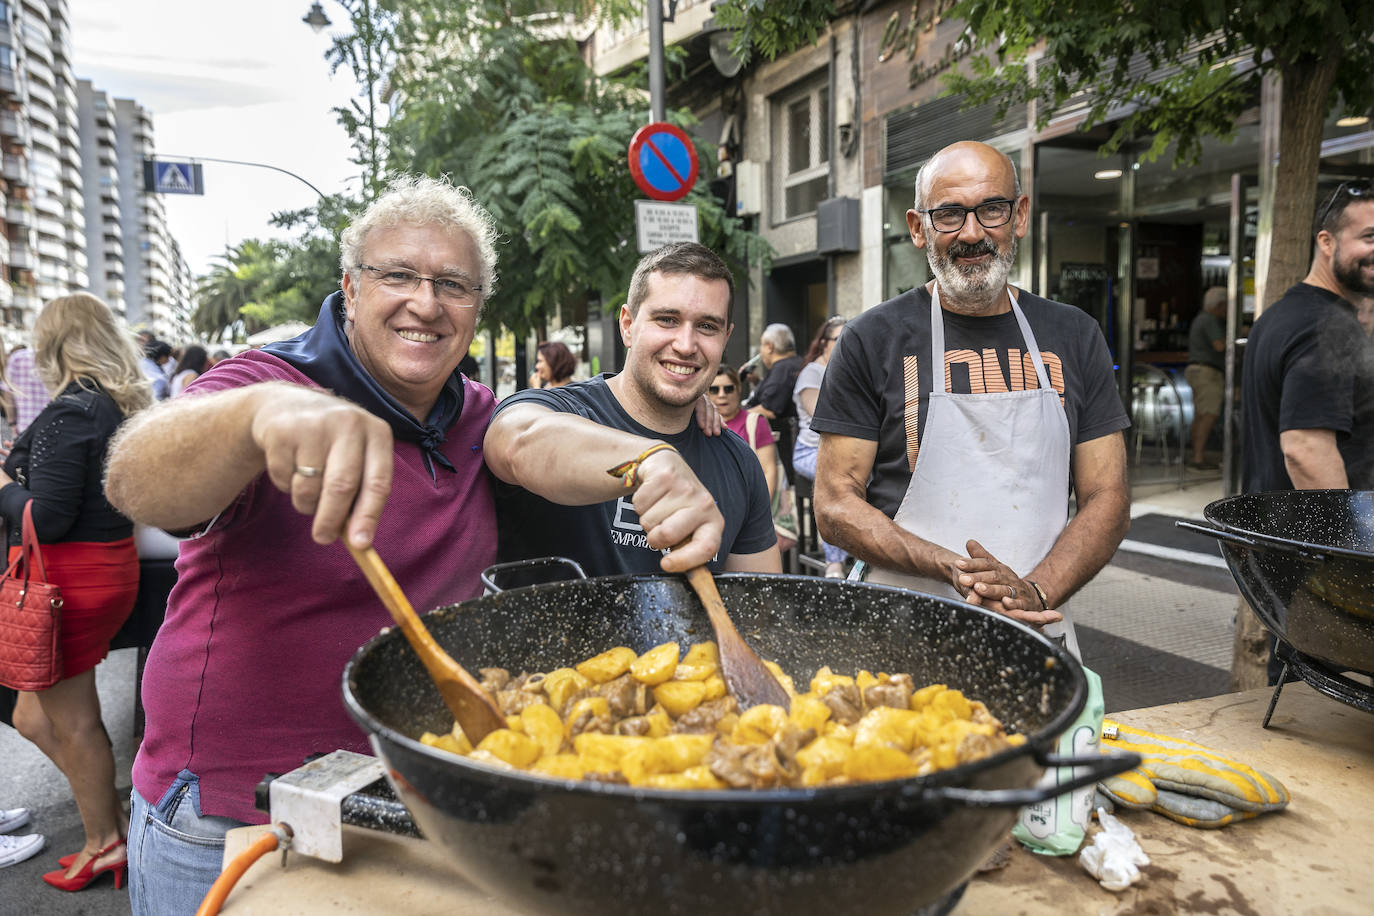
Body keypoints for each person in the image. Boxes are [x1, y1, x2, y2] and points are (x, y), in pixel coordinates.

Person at [103, 175, 501, 914]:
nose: (426, 300)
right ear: (350, 290)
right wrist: (258, 417)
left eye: (454, 283)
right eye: (398, 275)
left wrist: (663, 442)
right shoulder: (266, 381)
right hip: (231, 815)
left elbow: (550, 434)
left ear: (476, 309)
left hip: (412, 806)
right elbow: (135, 479)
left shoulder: (476, 413)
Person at [811, 141, 1130, 655]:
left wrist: (1035, 591)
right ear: (918, 228)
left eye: (992, 209)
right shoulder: (872, 338)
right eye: (950, 214)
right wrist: (952, 569)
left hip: (1035, 626)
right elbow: (833, 503)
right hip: (899, 625)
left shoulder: (1075, 334)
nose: (973, 232)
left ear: (1020, 215)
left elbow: (1107, 497)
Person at [485, 242, 780, 577]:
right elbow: (514, 442)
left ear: (725, 338)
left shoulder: (738, 463)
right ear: (627, 325)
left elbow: (761, 612)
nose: (686, 345)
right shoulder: (564, 409)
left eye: (707, 326)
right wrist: (647, 461)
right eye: (667, 319)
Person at [2, 293, 152, 893]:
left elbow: (50, 516)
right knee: (35, 714)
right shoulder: (112, 405)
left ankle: (106, 843)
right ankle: (112, 819)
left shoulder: (73, 410)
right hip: (102, 568)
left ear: (55, 345)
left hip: (67, 579)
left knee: (75, 724)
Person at [1242, 180, 1374, 494]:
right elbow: (1305, 450)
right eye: (1370, 237)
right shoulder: (1326, 326)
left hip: (1274, 527)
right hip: (1311, 538)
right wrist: (1341, 539)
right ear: (1327, 243)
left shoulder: (1280, 315)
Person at [791, 316, 849, 578]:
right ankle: (834, 560)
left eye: (849, 338)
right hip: (811, 451)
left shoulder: (851, 369)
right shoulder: (812, 373)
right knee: (836, 480)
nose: (845, 344)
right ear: (825, 343)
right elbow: (821, 418)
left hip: (846, 451)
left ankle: (867, 550)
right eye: (839, 339)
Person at [743, 323, 803, 479]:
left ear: (769, 346)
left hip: (782, 445)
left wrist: (737, 414)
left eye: (762, 346)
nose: (761, 352)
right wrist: (757, 381)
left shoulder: (782, 369)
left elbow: (770, 409)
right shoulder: (793, 364)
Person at [710, 364, 778, 500]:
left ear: (739, 389)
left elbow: (768, 472)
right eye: (714, 390)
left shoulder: (755, 423)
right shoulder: (696, 424)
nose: (722, 395)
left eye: (728, 389)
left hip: (748, 508)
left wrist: (760, 516)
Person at [1185, 287, 1228, 470]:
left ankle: (1196, 456)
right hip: (1207, 372)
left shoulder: (1201, 318)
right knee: (1208, 415)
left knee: (1201, 415)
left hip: (1197, 371)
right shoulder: (1209, 320)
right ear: (1219, 305)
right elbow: (1219, 346)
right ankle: (1198, 458)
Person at [7, 346, 51, 434]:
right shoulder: (55, 357)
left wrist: (12, 422)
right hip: (53, 425)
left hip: (24, 426)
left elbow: (8, 393)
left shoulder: (17, 357)